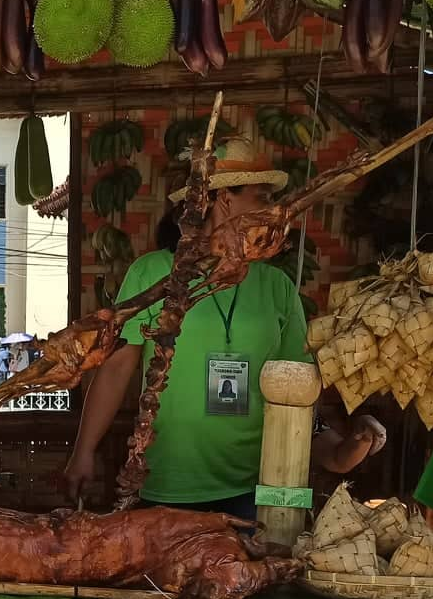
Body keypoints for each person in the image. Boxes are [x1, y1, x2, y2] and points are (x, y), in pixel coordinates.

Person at [63, 154, 386, 519]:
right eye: (261, 197)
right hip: (170, 482)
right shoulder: (153, 273)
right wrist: (84, 451)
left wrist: (340, 449)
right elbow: (116, 370)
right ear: (224, 199)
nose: (271, 209)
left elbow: (296, 393)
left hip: (253, 488)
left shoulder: (276, 286)